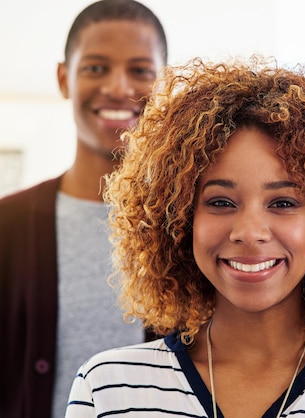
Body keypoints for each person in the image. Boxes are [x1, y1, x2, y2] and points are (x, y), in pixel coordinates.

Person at [64, 57, 305, 417]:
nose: (248, 232)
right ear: (178, 218)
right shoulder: (108, 390)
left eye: (281, 202)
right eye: (221, 201)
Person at [0, 1, 167, 417]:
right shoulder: (7, 226)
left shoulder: (192, 225)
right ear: (63, 78)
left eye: (141, 70)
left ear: (164, 82)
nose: (118, 87)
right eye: (95, 68)